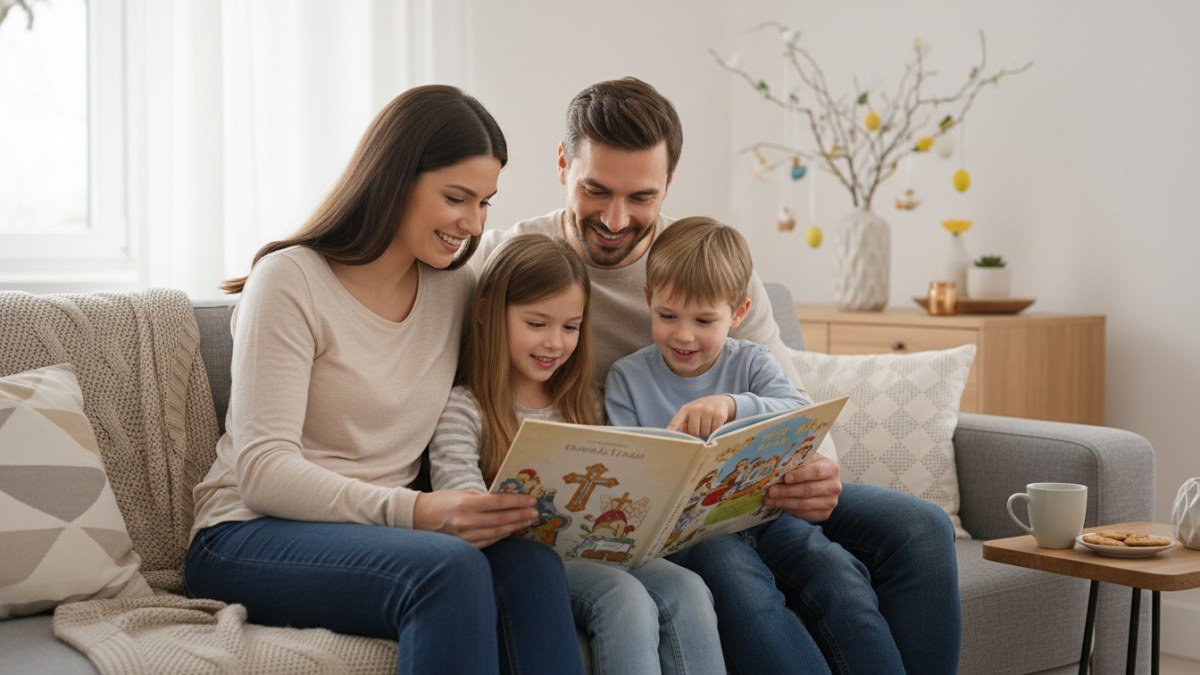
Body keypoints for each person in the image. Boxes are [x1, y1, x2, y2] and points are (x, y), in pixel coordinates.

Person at [474, 77, 961, 674]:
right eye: (595, 191)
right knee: (731, 566)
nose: (616, 218)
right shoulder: (514, 260)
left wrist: (820, 468)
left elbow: (785, 388)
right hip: (665, 516)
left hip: (758, 490)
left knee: (921, 526)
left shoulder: (705, 264)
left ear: (669, 184)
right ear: (561, 166)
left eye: (642, 197)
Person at [185, 85, 583, 675]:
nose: (472, 223)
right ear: (395, 177)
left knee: (532, 568)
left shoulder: (455, 286)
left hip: (388, 537)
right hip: (249, 535)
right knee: (448, 571)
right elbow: (263, 471)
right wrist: (419, 514)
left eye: (485, 203)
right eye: (457, 197)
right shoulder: (290, 280)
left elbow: (539, 337)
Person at [606, 216, 906, 673]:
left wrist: (731, 405)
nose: (683, 335)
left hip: (768, 515)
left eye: (705, 320)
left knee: (838, 576)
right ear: (648, 300)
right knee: (739, 580)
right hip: (691, 537)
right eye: (667, 316)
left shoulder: (752, 361)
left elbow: (798, 411)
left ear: (739, 313)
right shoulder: (627, 378)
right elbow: (628, 468)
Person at [429, 233, 725, 675]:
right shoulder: (464, 407)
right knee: (621, 597)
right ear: (490, 314)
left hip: (596, 548)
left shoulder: (585, 401)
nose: (555, 343)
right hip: (521, 563)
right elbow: (458, 496)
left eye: (570, 327)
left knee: (688, 587)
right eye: (537, 324)